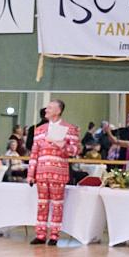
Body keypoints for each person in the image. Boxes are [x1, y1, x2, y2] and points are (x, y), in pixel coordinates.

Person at [27, 99, 80, 246]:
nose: (46, 110)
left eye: (50, 108)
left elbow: (75, 151)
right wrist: (31, 174)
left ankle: (55, 235)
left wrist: (62, 144)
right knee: (42, 204)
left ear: (58, 111)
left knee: (57, 204)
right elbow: (34, 153)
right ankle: (40, 234)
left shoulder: (70, 129)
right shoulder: (39, 130)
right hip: (42, 172)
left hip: (59, 172)